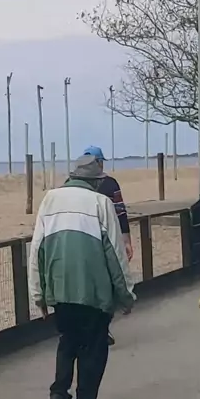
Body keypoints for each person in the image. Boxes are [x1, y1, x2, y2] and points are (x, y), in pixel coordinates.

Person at [28, 155, 136, 399]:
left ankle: (58, 394)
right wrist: (126, 295)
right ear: (97, 182)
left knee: (68, 340)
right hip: (94, 291)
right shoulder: (101, 202)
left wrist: (38, 295)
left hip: (60, 288)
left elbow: (37, 250)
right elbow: (115, 253)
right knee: (94, 348)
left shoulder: (49, 199)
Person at [82, 145, 133, 346]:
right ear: (99, 162)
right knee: (108, 284)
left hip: (83, 241)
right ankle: (102, 327)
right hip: (107, 241)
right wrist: (126, 240)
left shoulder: (72, 185)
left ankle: (93, 328)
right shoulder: (110, 184)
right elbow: (121, 212)